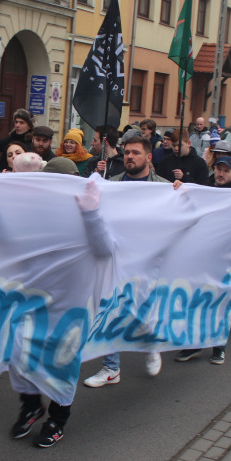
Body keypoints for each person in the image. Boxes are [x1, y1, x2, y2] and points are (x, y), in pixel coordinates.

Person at [83, 132, 170, 389]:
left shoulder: (164, 187)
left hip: (150, 259)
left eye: (136, 153)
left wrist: (180, 193)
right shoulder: (112, 185)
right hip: (118, 257)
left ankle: (151, 343)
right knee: (111, 307)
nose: (130, 157)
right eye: (127, 152)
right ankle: (111, 367)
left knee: (143, 306)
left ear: (149, 157)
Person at [173, 155, 231, 365]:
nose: (220, 174)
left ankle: (219, 346)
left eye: (226, 170)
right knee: (197, 299)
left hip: (226, 256)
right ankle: (194, 344)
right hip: (203, 255)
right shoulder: (204, 189)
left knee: (221, 300)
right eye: (218, 169)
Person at [0, 108, 33, 172]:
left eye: (21, 123)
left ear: (29, 126)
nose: (17, 125)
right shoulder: (9, 140)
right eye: (16, 122)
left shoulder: (33, 142)